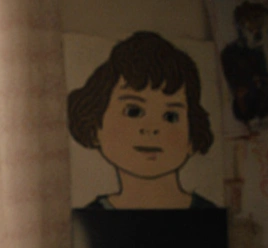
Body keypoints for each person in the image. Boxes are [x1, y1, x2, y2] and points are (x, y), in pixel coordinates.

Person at [68, 32, 217, 210]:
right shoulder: (89, 219)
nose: (152, 128)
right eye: (134, 111)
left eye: (170, 116)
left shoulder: (209, 216)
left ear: (192, 137)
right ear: (95, 127)